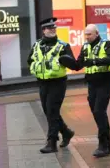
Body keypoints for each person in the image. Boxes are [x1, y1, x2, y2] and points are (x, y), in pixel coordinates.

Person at [27, 17, 78, 153]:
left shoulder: (63, 45)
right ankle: (66, 132)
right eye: (49, 28)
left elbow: (73, 64)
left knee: (52, 110)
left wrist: (66, 60)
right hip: (43, 82)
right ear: (43, 30)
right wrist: (34, 68)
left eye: (54, 28)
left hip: (58, 83)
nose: (52, 30)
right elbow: (30, 60)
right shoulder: (37, 45)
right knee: (48, 111)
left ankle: (52, 142)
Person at [75, 24, 110, 158]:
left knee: (99, 111)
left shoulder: (107, 44)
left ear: (97, 34)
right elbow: (79, 63)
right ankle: (107, 144)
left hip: (104, 82)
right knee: (97, 113)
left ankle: (103, 145)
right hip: (91, 84)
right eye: (86, 34)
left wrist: (95, 61)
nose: (87, 37)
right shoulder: (85, 46)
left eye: (89, 34)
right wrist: (66, 62)